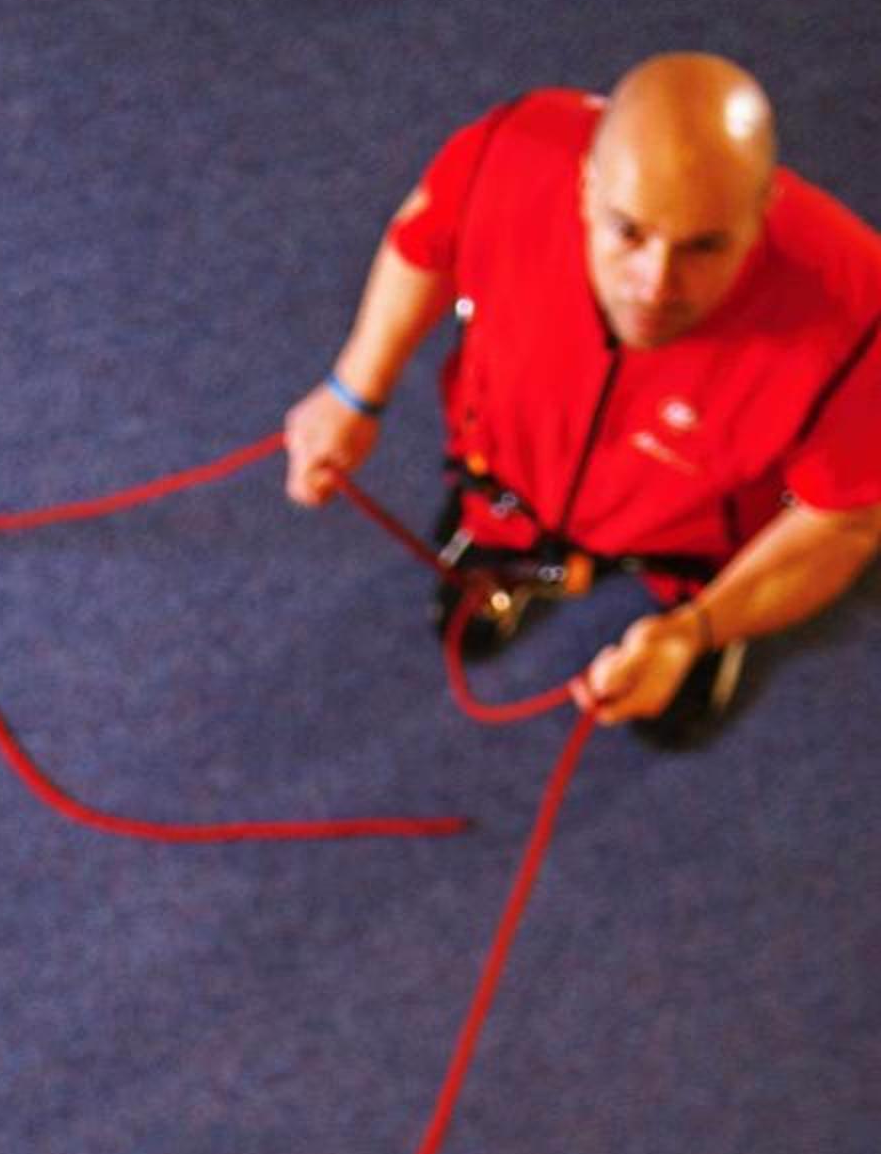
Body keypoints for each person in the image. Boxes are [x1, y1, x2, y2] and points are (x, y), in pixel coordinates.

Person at [284, 53, 881, 740]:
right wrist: (354, 391)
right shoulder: (511, 154)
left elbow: (842, 524)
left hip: (696, 536)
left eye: (705, 247)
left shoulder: (861, 321)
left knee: (707, 607)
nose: (655, 287)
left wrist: (696, 629)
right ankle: (504, 558)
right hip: (507, 472)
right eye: (629, 231)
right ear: (586, 185)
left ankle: (690, 627)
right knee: (494, 518)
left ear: (763, 211)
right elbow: (423, 240)